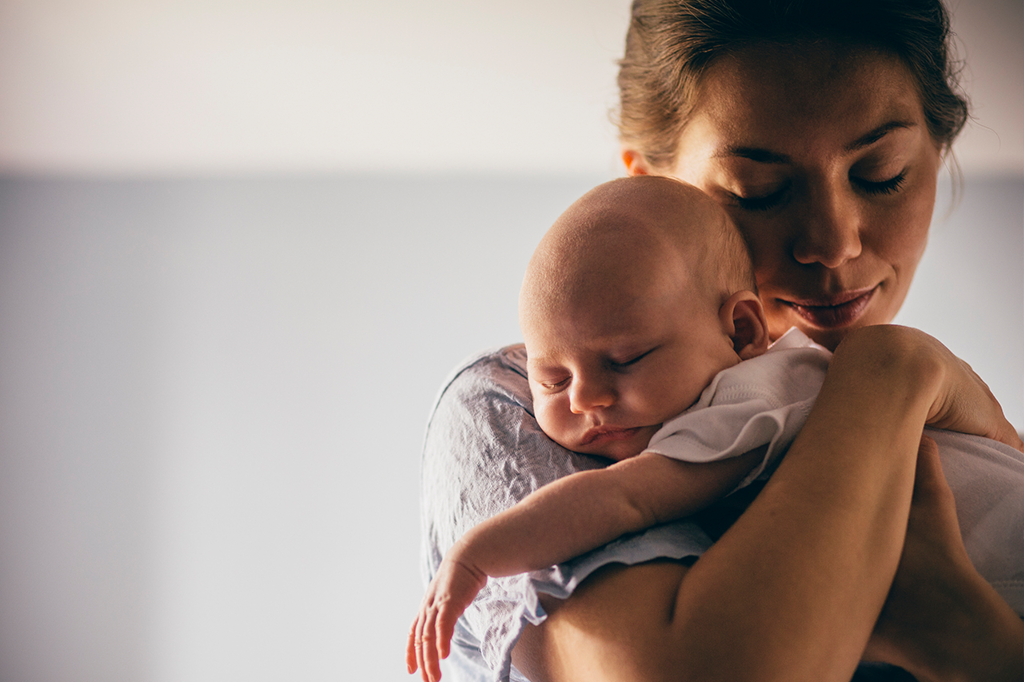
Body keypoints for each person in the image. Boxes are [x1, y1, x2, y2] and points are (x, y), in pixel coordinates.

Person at [415, 2, 1024, 681]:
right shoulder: (524, 406)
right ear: (646, 188)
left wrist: (977, 640)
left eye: (880, 173)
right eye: (756, 190)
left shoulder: (949, 433)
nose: (832, 243)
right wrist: (889, 372)